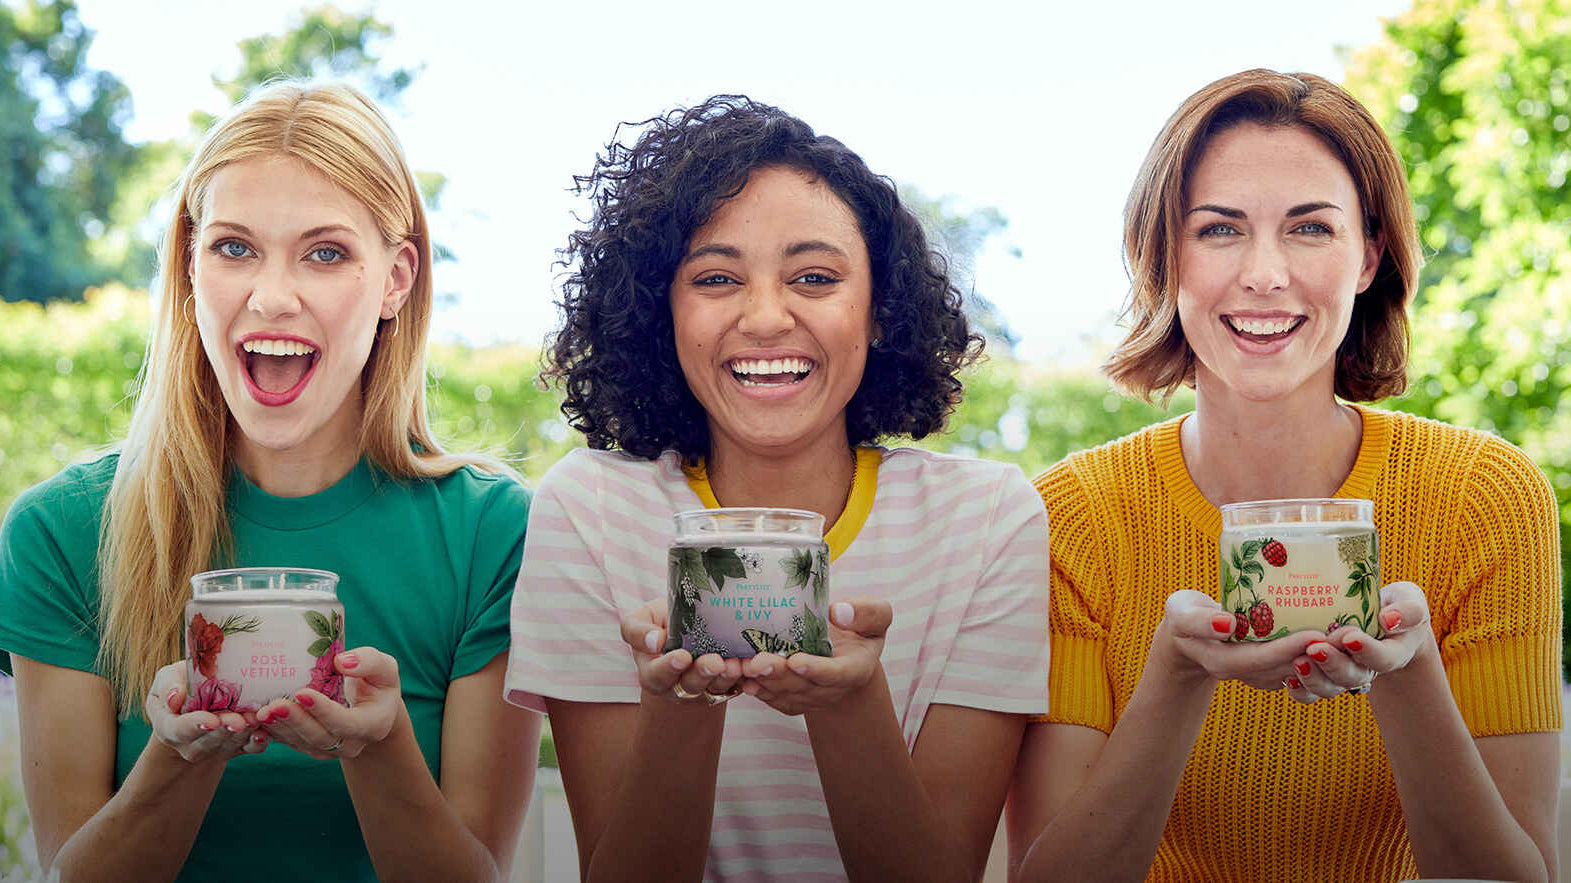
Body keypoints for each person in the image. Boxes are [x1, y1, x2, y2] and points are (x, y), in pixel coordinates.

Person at [1008, 69, 1561, 882]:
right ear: (1163, 257)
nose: (1264, 273)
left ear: (1369, 255)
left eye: (1309, 229)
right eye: (1218, 230)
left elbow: (1514, 874)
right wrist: (1176, 668)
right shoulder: (1071, 515)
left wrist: (1405, 674)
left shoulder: (1485, 496)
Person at [0, 81, 540, 881]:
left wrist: (378, 745)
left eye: (324, 253)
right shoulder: (61, 530)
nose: (272, 296)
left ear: (395, 278)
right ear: (189, 265)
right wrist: (180, 757)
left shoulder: (493, 532)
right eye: (234, 247)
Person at [504, 95, 1051, 881]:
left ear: (878, 312)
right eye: (717, 277)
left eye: (815, 277)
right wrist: (680, 706)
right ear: (664, 314)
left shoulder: (987, 519)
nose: (765, 317)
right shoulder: (587, 508)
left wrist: (850, 704)